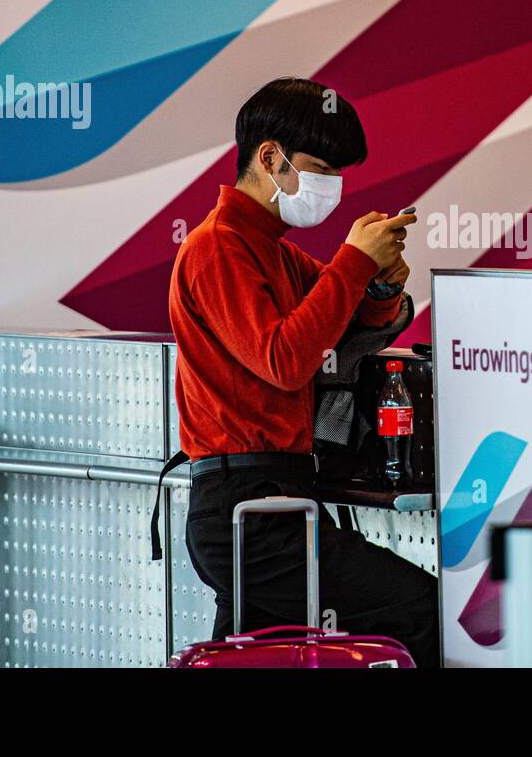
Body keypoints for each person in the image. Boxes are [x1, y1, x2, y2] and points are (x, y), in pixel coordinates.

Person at [168, 76, 439, 665]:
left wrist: (380, 283)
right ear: (270, 158)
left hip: (275, 501)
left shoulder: (278, 252)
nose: (333, 186)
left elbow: (347, 323)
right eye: (320, 167)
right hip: (246, 510)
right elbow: (286, 360)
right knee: (419, 609)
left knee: (254, 661)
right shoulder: (217, 248)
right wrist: (352, 262)